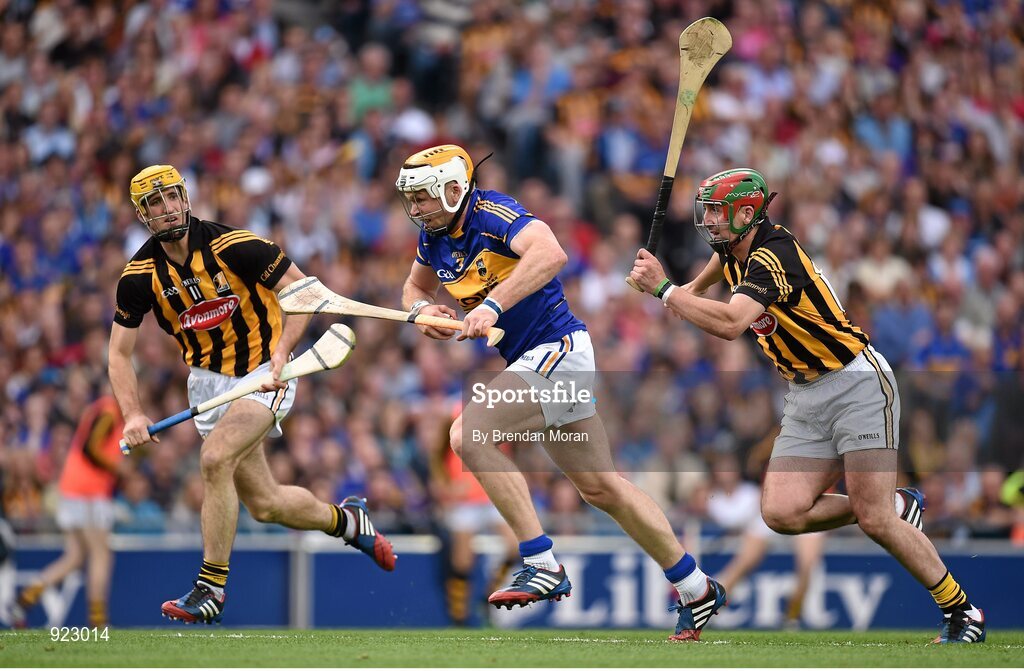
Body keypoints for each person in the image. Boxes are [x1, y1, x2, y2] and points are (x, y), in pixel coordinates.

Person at [630, 168, 985, 644]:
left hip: (857, 384)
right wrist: (690, 291)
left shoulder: (773, 256)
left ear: (748, 214)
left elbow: (733, 324)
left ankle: (962, 611)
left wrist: (666, 290)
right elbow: (719, 264)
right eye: (708, 210)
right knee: (781, 512)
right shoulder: (733, 246)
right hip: (804, 395)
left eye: (718, 210)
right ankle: (899, 503)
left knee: (875, 519)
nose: (709, 219)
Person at [397, 144, 725, 641]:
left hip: (557, 352)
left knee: (468, 435)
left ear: (453, 188)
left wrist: (491, 305)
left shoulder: (492, 212)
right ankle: (697, 587)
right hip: (536, 362)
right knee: (602, 488)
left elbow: (552, 253)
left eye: (422, 197)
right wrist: (424, 313)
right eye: (412, 199)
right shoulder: (434, 238)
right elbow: (415, 289)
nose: (416, 208)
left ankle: (541, 561)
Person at [111, 165, 396, 624]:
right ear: (142, 215)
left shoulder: (235, 246)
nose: (167, 209)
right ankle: (347, 521)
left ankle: (210, 589)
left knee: (214, 459)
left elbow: (303, 293)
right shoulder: (139, 277)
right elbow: (119, 354)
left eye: (172, 197)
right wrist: (132, 414)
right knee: (265, 504)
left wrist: (282, 354)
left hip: (266, 371)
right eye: (154, 203)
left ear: (185, 197)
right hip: (207, 382)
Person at [12, 395, 124, 628]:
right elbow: (91, 448)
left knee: (75, 557)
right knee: (101, 554)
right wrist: (117, 468)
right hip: (89, 491)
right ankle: (98, 620)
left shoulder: (98, 407)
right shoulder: (110, 410)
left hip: (72, 486)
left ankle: (25, 599)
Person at [693, 451, 825, 629]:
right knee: (741, 564)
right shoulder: (775, 452)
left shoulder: (818, 455)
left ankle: (792, 616)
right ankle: (708, 607)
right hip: (775, 514)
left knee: (807, 566)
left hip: (806, 513)